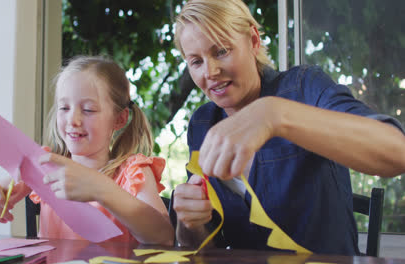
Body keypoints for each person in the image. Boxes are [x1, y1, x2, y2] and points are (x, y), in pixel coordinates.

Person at [171, 0, 405, 255]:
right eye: (195, 62)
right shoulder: (201, 124)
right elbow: (204, 249)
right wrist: (188, 222)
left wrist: (274, 115)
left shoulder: (305, 86)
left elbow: (397, 151)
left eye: (221, 51)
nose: (211, 72)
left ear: (253, 40)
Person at [0, 55, 174, 246]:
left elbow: (163, 236)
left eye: (88, 110)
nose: (73, 120)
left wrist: (101, 189)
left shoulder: (132, 170)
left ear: (119, 119)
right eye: (64, 108)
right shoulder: (45, 166)